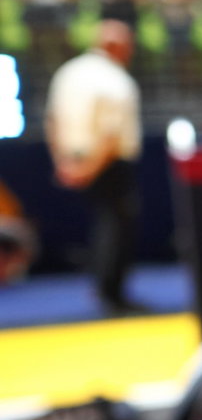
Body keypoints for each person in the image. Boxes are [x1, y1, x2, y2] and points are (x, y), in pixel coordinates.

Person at [44, 20, 143, 314]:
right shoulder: (115, 79)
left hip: (74, 157)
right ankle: (113, 295)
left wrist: (62, 162)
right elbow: (109, 136)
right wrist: (91, 168)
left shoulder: (69, 71)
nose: (131, 50)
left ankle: (105, 291)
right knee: (116, 225)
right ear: (115, 46)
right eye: (128, 44)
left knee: (106, 224)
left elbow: (52, 120)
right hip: (107, 163)